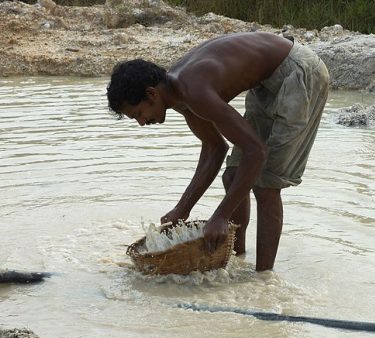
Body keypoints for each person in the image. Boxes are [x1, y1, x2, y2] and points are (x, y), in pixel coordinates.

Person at [107, 32, 329, 271]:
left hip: (299, 73)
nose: (142, 122)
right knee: (232, 176)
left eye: (139, 114)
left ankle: (263, 279)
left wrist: (221, 215)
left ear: (151, 94)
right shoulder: (177, 94)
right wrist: (182, 208)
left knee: (266, 185)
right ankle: (235, 258)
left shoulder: (193, 90)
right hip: (268, 82)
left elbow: (256, 152)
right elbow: (215, 148)